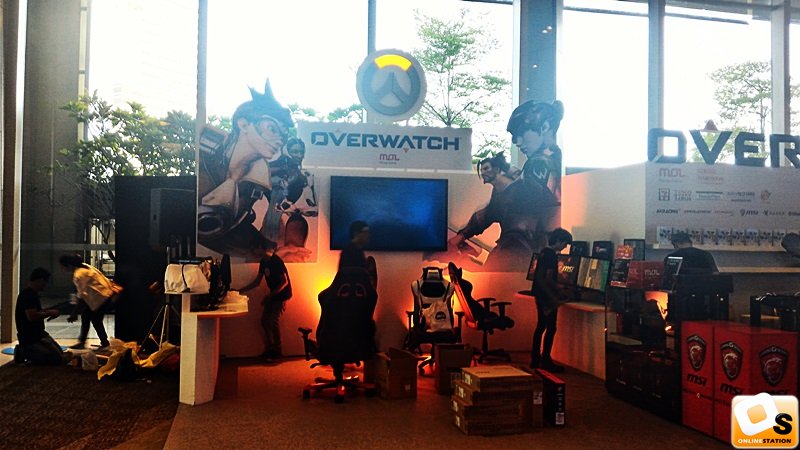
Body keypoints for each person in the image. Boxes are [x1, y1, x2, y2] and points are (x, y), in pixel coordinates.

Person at [197, 80, 294, 257]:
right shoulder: (204, 151)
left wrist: (271, 251)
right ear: (243, 125)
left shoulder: (258, 180)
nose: (279, 140)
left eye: (283, 134)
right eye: (272, 129)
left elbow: (233, 227)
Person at [449, 152, 533, 270]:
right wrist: (462, 235)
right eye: (481, 170)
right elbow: (486, 215)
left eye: (486, 168)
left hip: (521, 248)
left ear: (497, 169)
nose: (483, 172)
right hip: (508, 245)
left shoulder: (519, 191)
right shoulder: (498, 193)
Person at [239, 243, 293, 361]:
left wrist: (269, 296)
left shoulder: (276, 261)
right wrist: (240, 290)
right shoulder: (264, 262)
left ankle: (277, 351)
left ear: (261, 248)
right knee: (264, 321)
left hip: (282, 295)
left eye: (254, 248)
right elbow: (257, 282)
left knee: (273, 321)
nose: (253, 251)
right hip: (273, 295)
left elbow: (284, 282)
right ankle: (270, 348)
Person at [530, 227, 573, 372]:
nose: (564, 247)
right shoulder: (551, 256)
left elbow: (540, 277)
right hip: (546, 297)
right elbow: (547, 279)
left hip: (539, 293)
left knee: (541, 326)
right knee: (551, 328)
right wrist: (556, 294)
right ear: (559, 240)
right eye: (565, 244)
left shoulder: (543, 253)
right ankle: (546, 360)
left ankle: (535, 359)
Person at [59, 254, 118, 350]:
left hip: (102, 297)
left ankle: (104, 344)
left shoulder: (78, 274)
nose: (62, 269)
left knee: (95, 320)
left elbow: (82, 296)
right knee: (86, 316)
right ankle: (86, 342)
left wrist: (74, 313)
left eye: (62, 267)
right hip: (105, 295)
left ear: (68, 266)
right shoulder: (86, 267)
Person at [14, 268, 72, 365]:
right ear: (40, 280)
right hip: (31, 338)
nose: (45, 285)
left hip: (39, 334)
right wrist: (49, 313)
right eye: (45, 282)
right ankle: (24, 351)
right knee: (56, 358)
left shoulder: (31, 294)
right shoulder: (28, 295)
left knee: (60, 354)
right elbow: (32, 316)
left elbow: (36, 312)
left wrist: (49, 311)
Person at [338, 220, 377, 288]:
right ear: (356, 234)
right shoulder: (348, 251)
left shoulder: (358, 250)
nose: (368, 235)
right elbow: (346, 275)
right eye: (365, 232)